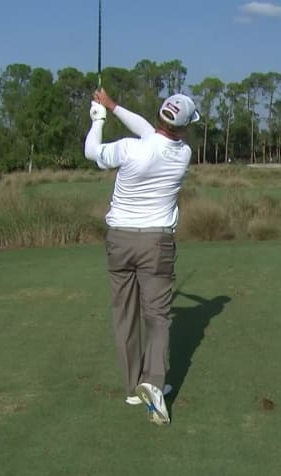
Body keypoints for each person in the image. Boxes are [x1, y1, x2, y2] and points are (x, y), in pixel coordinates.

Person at [84, 87, 200, 426]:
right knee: (158, 316)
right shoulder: (183, 153)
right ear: (184, 126)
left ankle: (135, 387)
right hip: (157, 243)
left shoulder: (130, 148)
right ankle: (153, 382)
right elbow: (151, 133)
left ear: (160, 115)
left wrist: (98, 119)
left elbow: (91, 151)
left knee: (125, 313)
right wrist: (113, 105)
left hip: (119, 240)